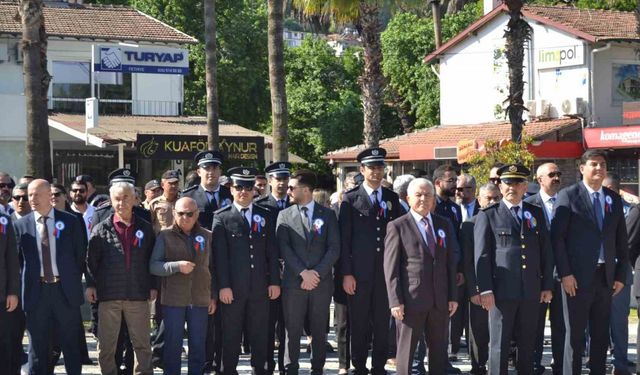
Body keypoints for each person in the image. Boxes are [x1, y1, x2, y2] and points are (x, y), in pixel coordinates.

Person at [551, 150, 629, 375]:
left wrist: (620, 275)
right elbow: (557, 239)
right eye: (593, 164)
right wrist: (564, 274)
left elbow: (621, 241)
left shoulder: (612, 198)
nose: (599, 168)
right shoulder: (568, 196)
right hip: (575, 279)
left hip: (605, 278)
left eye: (602, 165)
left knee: (601, 335)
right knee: (575, 337)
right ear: (581, 168)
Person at [475, 164, 554, 375]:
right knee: (499, 345)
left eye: (517, 183)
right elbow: (482, 257)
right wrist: (485, 290)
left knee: (528, 344)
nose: (512, 187)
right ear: (500, 187)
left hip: (531, 291)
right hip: (501, 292)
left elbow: (545, 251)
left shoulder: (535, 213)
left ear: (525, 186)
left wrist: (546, 285)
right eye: (508, 183)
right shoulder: (489, 215)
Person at [384, 178, 458, 375]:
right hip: (410, 300)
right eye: (418, 195)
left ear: (434, 199)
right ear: (408, 198)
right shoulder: (397, 226)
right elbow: (390, 268)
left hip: (440, 301)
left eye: (427, 195)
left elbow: (450, 263)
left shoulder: (444, 224)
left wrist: (452, 296)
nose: (423, 199)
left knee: (438, 353)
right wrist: (395, 300)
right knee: (406, 353)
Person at [339, 147, 403, 375]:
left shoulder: (392, 198)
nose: (377, 172)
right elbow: (344, 240)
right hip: (358, 272)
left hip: (385, 272)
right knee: (358, 322)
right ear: (362, 169)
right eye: (372, 167)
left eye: (380, 167)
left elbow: (398, 237)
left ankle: (378, 367)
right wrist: (346, 273)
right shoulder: (350, 199)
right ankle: (358, 366)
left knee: (382, 322)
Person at [213, 166, 280, 375]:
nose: (243, 191)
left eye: (248, 187)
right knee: (231, 336)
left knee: (260, 335)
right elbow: (219, 258)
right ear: (231, 189)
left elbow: (272, 252)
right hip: (233, 289)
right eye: (239, 187)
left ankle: (260, 370)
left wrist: (275, 281)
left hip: (260, 288)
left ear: (254, 190)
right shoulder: (222, 217)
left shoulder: (265, 215)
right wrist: (223, 286)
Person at [14, 179, 86, 375]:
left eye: (36, 194)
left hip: (64, 291)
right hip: (36, 293)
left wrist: (74, 281)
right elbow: (17, 263)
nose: (32, 199)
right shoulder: (21, 225)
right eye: (30, 195)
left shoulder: (70, 221)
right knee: (37, 346)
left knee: (70, 344)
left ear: (49, 196)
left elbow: (80, 256)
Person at [86, 181, 157, 375]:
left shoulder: (145, 228)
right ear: (111, 200)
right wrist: (91, 285)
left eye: (126, 197)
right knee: (107, 346)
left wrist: (153, 285)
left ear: (134, 199)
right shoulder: (101, 228)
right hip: (109, 295)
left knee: (142, 344)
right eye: (117, 198)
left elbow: (152, 259)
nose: (121, 202)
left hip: (138, 294)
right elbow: (91, 261)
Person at [276, 170, 340, 375]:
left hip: (320, 284)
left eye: (292, 187)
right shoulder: (284, 215)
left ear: (306, 190)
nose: (288, 191)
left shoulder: (328, 215)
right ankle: (290, 368)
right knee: (292, 330)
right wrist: (303, 273)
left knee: (319, 329)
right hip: (294, 283)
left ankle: (317, 368)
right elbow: (284, 248)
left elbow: (334, 248)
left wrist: (316, 274)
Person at [150, 197, 217, 375]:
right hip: (173, 299)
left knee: (198, 347)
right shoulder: (164, 236)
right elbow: (154, 265)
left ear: (197, 214)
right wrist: (176, 266)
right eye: (180, 213)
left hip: (200, 299)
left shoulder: (207, 235)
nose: (185, 217)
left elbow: (214, 269)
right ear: (174, 213)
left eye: (189, 214)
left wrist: (213, 296)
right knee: (172, 347)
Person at [524, 162, 564, 375]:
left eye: (558, 174)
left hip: (563, 274)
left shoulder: (567, 204)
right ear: (540, 179)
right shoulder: (529, 205)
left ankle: (559, 365)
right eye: (552, 174)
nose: (556, 177)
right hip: (536, 276)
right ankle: (534, 364)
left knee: (561, 324)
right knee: (534, 325)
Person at [254, 161, 292, 375]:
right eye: (278, 179)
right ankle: (267, 366)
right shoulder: (261, 205)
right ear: (269, 181)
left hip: (292, 273)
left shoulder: (295, 204)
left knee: (289, 324)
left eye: (285, 179)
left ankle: (287, 366)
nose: (282, 183)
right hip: (268, 273)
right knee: (267, 324)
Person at [463, 183, 501, 375]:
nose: (493, 202)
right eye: (489, 198)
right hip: (479, 287)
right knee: (478, 329)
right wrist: (474, 290)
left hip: (502, 286)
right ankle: (478, 366)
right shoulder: (470, 224)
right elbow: (468, 261)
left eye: (497, 198)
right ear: (479, 200)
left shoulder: (506, 220)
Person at [602, 173, 634, 375]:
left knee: (619, 321)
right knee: (593, 321)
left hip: (619, 274)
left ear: (614, 190)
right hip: (597, 273)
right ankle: (595, 358)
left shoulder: (628, 211)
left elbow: (628, 245)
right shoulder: (595, 208)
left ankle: (620, 362)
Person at [0, 210, 19, 375]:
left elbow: (11, 257)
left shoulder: (3, 221)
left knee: (4, 343)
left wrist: (13, 291)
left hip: (2, 294)